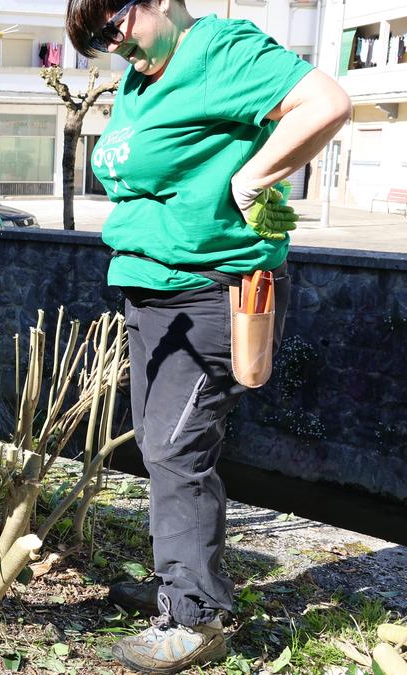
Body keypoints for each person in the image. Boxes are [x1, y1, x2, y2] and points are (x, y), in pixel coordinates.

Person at [66, 0, 350, 672]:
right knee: (160, 445)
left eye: (117, 24)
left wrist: (254, 176)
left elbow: (325, 102)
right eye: (101, 41)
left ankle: (195, 619)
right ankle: (180, 580)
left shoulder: (218, 49)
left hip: (206, 294)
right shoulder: (143, 77)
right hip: (153, 291)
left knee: (176, 449)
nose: (116, 45)